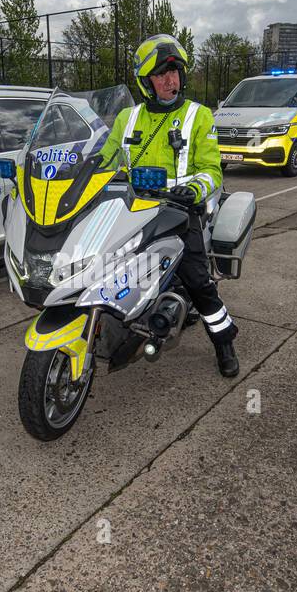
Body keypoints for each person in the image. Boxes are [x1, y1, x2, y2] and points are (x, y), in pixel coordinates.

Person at [101, 33, 239, 377]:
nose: (170, 80)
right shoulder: (126, 119)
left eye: (175, 72)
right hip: (130, 211)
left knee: (197, 279)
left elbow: (212, 168)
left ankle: (224, 341)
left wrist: (194, 189)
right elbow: (104, 161)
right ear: (146, 81)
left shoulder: (199, 116)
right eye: (161, 73)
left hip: (179, 213)